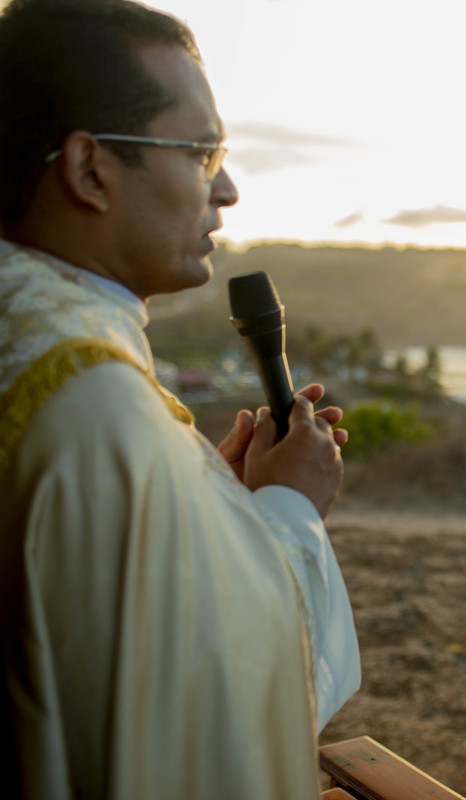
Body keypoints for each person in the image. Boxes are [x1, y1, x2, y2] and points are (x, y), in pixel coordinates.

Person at [0, 1, 360, 797]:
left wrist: (211, 505)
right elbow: (204, 692)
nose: (226, 189)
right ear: (89, 169)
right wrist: (288, 509)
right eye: (201, 153)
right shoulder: (90, 400)